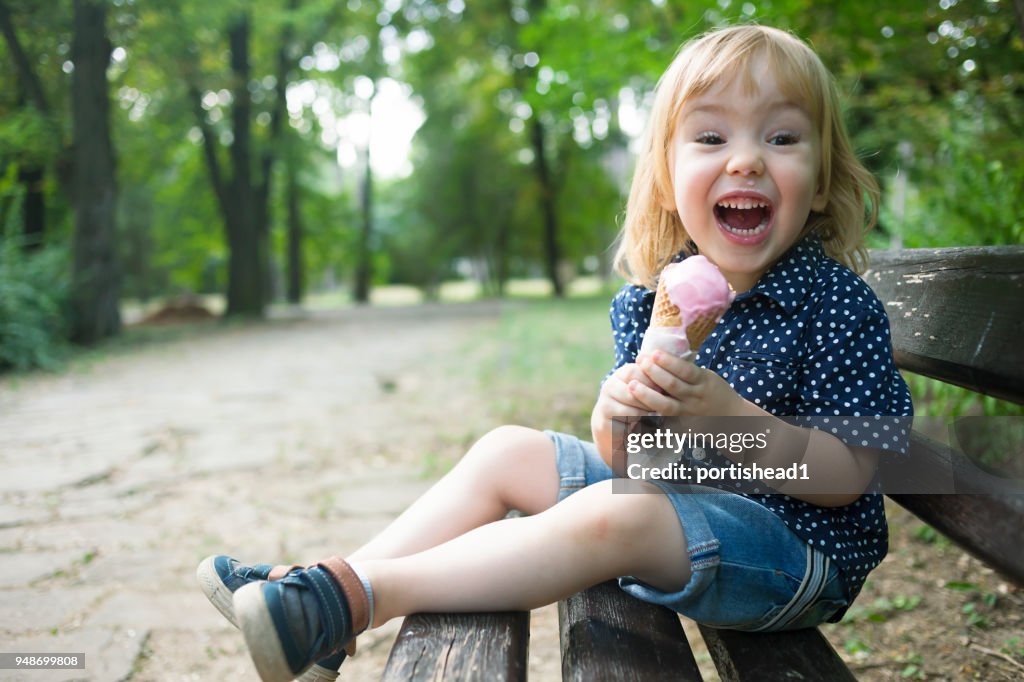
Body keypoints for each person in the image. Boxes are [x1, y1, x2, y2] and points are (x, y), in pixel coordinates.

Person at [197, 24, 913, 682]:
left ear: (820, 182)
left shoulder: (836, 306)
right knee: (510, 450)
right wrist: (615, 418)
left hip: (796, 555)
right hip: (683, 508)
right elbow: (640, 465)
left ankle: (358, 600)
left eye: (783, 138)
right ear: (666, 176)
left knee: (617, 514)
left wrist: (726, 419)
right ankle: (327, 589)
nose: (748, 160)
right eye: (711, 138)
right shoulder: (653, 303)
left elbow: (848, 474)